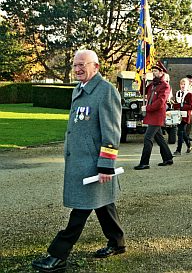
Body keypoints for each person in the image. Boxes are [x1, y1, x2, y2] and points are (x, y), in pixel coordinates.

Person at [32, 50, 125, 272]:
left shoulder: (105, 92)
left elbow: (111, 131)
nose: (77, 69)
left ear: (97, 67)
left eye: (82, 64)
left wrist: (105, 165)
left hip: (93, 165)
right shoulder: (79, 89)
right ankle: (117, 242)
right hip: (81, 161)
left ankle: (58, 254)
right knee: (102, 204)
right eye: (75, 65)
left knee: (80, 210)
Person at [134, 61, 173, 170]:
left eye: (155, 71)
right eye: (153, 71)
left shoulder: (165, 86)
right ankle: (168, 158)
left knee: (148, 138)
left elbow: (161, 102)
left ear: (161, 72)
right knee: (159, 138)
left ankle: (144, 162)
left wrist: (147, 108)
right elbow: (143, 92)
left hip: (157, 116)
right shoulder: (152, 84)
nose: (153, 73)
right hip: (151, 115)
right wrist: (143, 80)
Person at [173, 78, 192, 155]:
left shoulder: (189, 94)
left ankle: (178, 150)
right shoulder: (177, 93)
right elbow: (176, 103)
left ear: (188, 85)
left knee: (180, 132)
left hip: (185, 116)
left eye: (184, 84)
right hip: (178, 115)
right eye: (181, 84)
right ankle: (189, 145)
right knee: (183, 132)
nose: (182, 86)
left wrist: (181, 106)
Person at [185, 74, 192, 141]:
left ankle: (187, 136)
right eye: (190, 81)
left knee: (189, 123)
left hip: (191, 108)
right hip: (187, 108)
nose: (191, 82)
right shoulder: (185, 88)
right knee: (186, 123)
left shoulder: (191, 87)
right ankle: (184, 137)